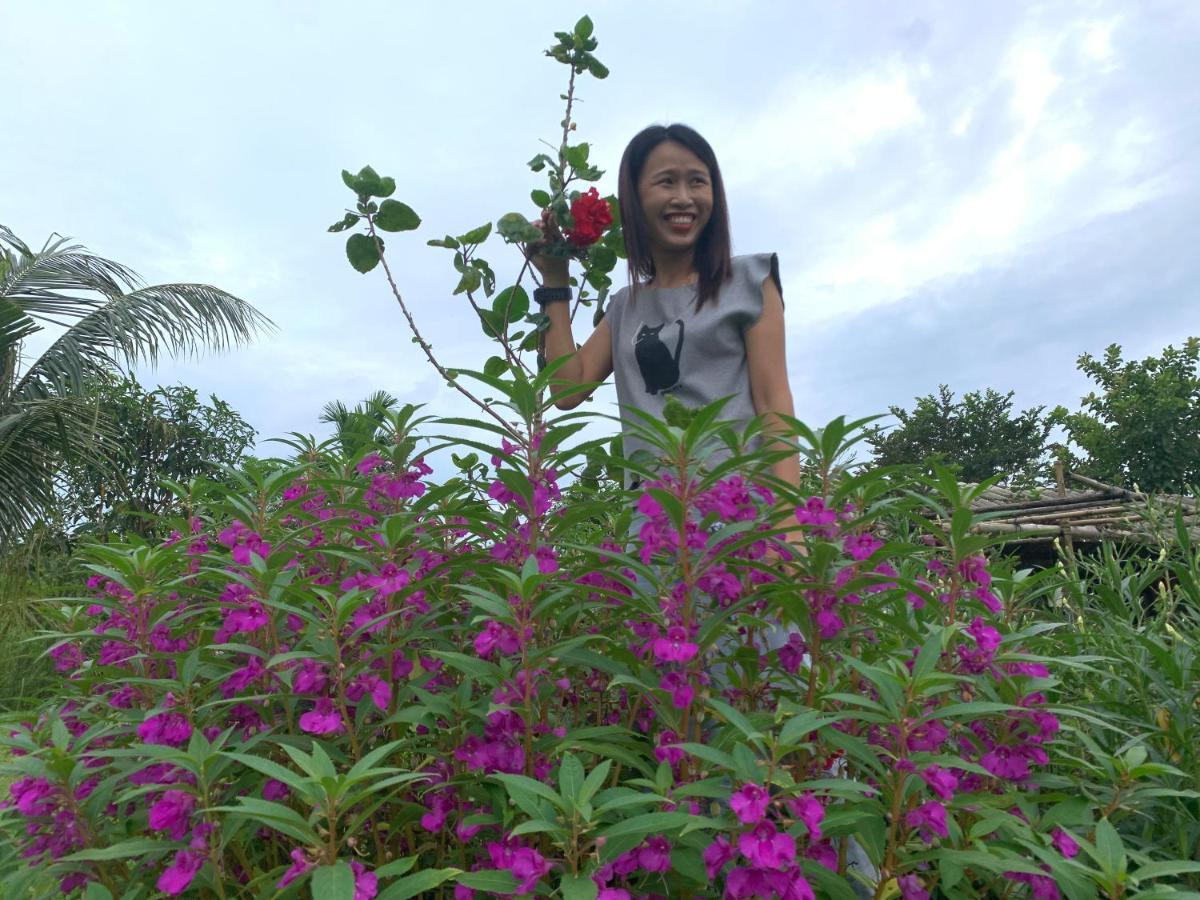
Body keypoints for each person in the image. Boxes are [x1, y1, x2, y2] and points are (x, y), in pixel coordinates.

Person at [526, 123, 800, 498]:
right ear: (634, 200)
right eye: (666, 182)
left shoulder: (749, 282)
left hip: (742, 504)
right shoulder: (625, 306)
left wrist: (788, 522)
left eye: (698, 182)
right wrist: (555, 278)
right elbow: (567, 389)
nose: (684, 197)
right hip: (655, 514)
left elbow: (774, 405)